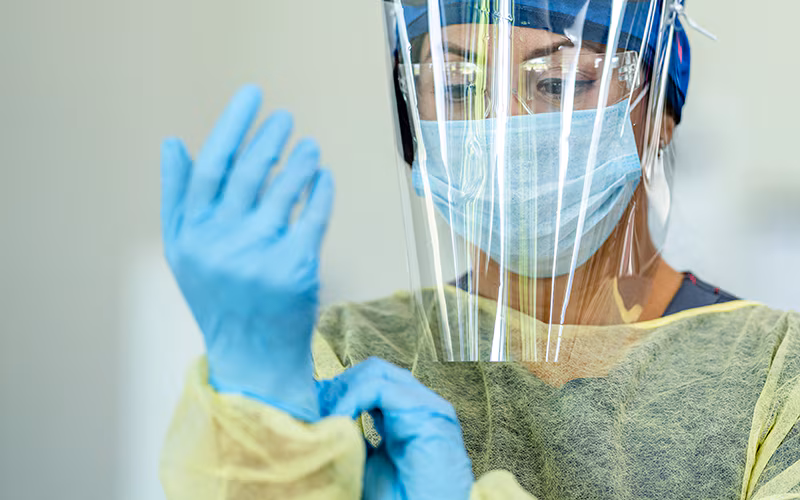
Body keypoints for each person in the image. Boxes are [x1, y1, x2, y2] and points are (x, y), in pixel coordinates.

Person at [159, 1, 800, 499]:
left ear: (658, 109)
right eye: (460, 89)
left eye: (557, 83)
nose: (504, 130)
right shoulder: (343, 359)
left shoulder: (778, 381)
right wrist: (256, 404)